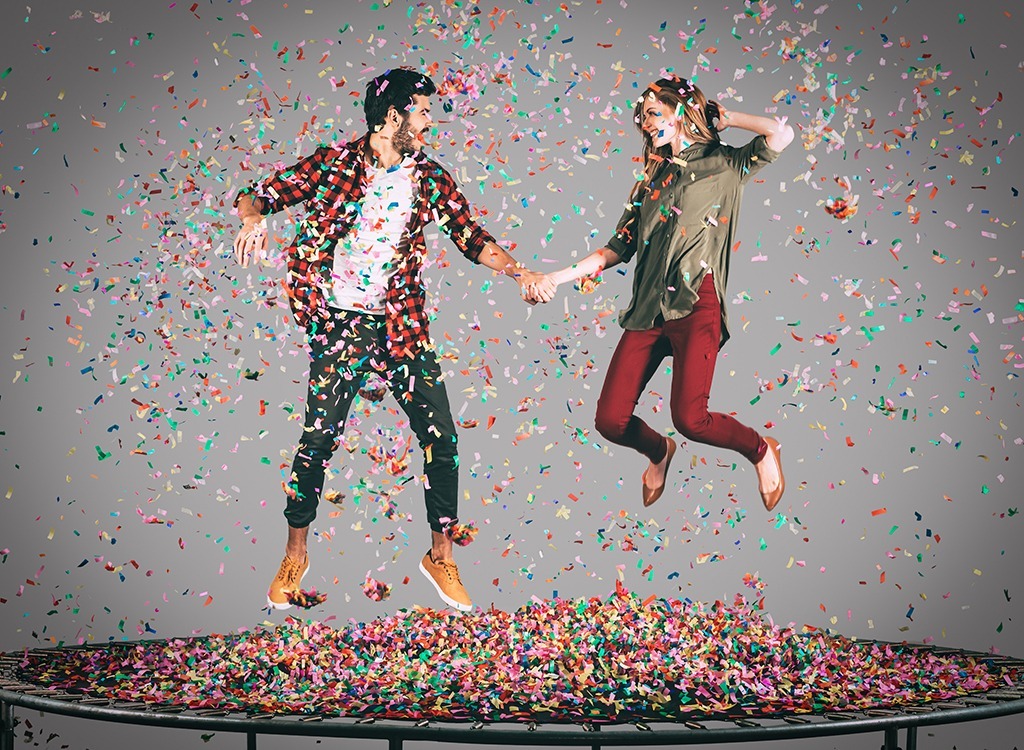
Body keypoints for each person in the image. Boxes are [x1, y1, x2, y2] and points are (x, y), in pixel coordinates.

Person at [231, 68, 556, 613]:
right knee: (317, 441)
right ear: (391, 118)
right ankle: (294, 557)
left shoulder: (428, 177)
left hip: (399, 324)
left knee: (444, 439)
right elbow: (258, 195)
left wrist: (519, 271)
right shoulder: (333, 163)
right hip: (338, 321)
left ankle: (441, 556)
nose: (431, 122)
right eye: (424, 112)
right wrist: (252, 220)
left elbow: (469, 236)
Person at [527, 76, 792, 511]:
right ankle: (658, 452)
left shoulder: (725, 164)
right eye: (642, 116)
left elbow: (781, 135)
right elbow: (616, 248)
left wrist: (726, 118)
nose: (645, 122)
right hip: (648, 308)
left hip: (696, 301)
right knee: (610, 421)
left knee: (691, 419)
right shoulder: (649, 182)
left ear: (679, 110)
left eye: (652, 112)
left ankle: (761, 449)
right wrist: (555, 277)